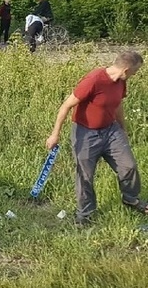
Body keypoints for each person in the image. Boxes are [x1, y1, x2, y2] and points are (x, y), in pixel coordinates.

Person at [46, 51, 147, 225]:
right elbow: (66, 106)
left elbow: (117, 105)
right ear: (126, 69)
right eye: (135, 71)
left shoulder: (121, 82)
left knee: (128, 166)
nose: (135, 75)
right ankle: (85, 215)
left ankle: (130, 198)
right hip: (86, 133)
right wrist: (55, 134)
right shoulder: (94, 80)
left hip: (111, 131)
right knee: (85, 175)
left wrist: (123, 129)